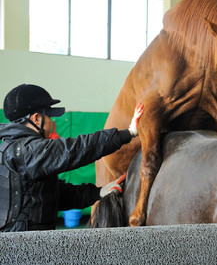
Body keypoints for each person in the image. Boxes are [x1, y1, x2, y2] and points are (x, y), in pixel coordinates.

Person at [0, 83, 143, 232]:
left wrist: (98, 192)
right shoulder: (28, 151)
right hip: (23, 245)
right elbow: (78, 149)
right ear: (36, 119)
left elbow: (56, 195)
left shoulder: (10, 149)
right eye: (49, 117)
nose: (51, 122)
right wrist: (129, 133)